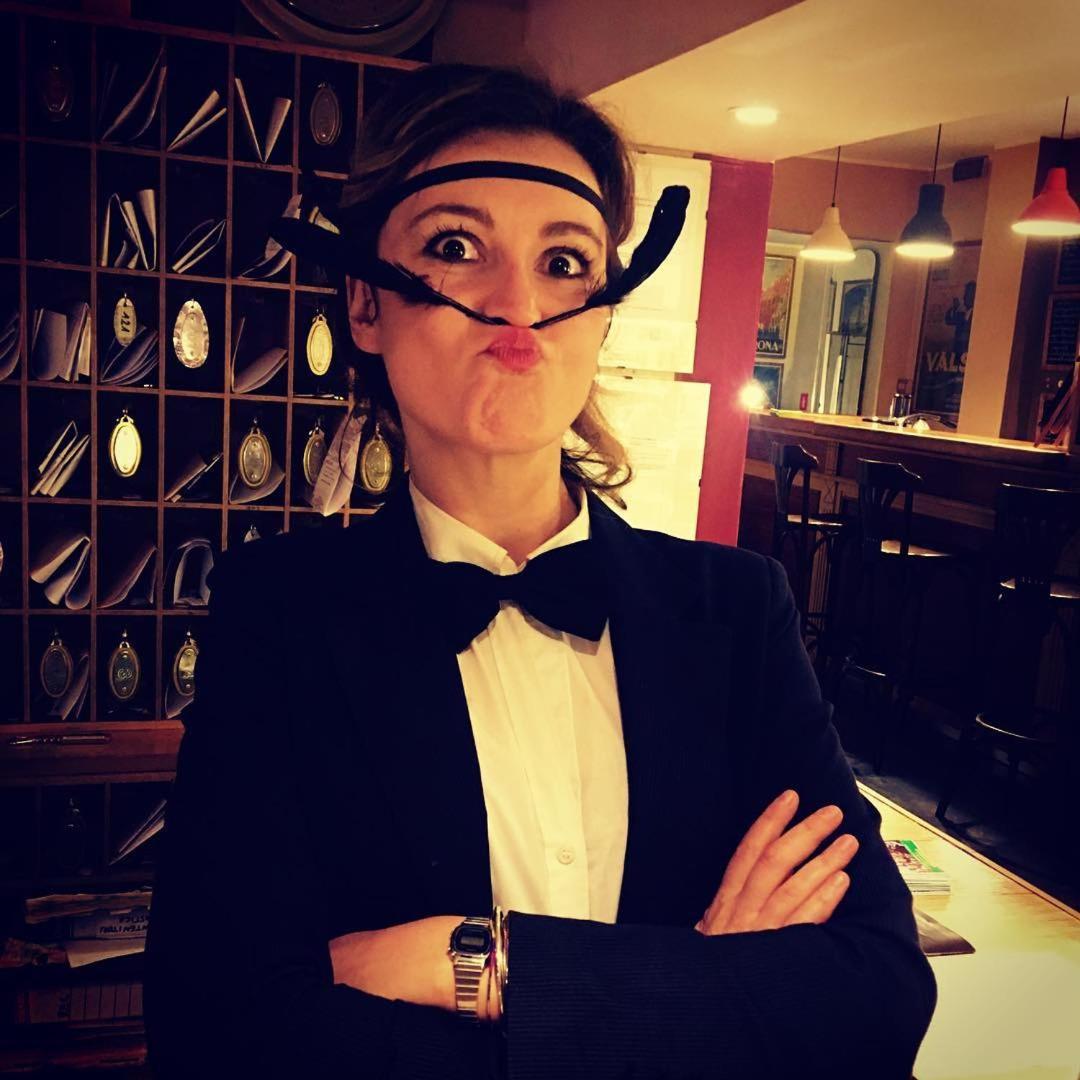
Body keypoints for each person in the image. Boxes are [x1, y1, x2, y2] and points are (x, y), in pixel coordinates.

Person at [144, 62, 937, 1079]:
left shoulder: (739, 611)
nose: (518, 304)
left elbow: (876, 997)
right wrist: (695, 993)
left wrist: (477, 965)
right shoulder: (278, 616)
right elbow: (217, 1032)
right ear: (366, 304)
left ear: (602, 314)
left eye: (565, 263)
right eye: (455, 246)